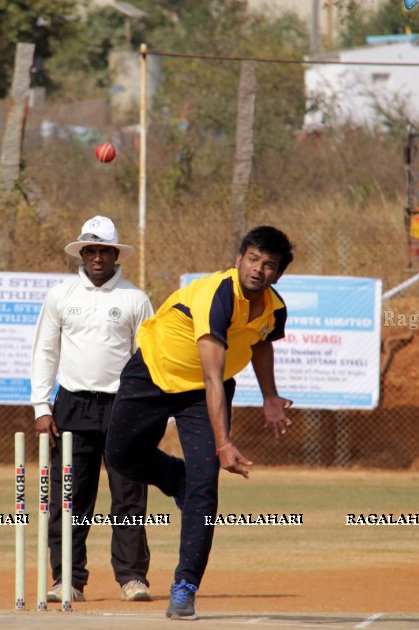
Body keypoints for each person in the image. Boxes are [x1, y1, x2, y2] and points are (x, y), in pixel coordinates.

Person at [104, 225, 295, 620]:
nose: (259, 269)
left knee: (205, 487)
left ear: (278, 274)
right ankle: (178, 478)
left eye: (270, 265)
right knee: (121, 457)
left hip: (201, 394)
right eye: (254, 258)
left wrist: (270, 396)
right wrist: (224, 442)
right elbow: (212, 372)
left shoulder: (275, 309)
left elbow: (259, 343)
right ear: (239, 258)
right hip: (154, 372)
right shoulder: (218, 294)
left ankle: (185, 586)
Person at [31, 215, 155, 603]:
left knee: (129, 496)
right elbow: (45, 351)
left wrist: (152, 409)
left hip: (125, 407)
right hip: (72, 405)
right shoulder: (61, 295)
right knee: (70, 497)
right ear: (82, 253)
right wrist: (41, 405)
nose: (98, 257)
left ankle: (132, 577)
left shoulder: (135, 298)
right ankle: (68, 579)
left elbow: (150, 357)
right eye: (91, 250)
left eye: (105, 251)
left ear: (116, 255)